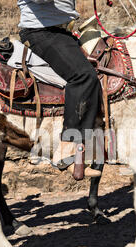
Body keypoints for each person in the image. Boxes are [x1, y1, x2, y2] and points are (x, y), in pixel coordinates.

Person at [17, 0, 102, 178]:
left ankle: (100, 142)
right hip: (41, 33)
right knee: (83, 76)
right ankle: (66, 148)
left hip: (62, 32)